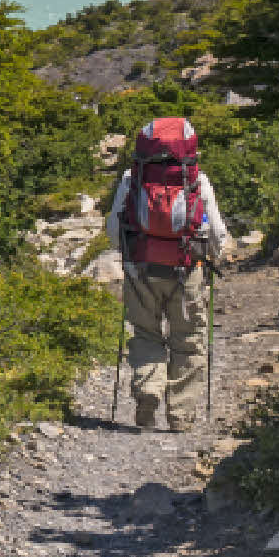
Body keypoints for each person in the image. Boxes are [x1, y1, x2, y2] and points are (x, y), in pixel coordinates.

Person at [108, 116, 234, 431]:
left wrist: (128, 254)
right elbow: (217, 233)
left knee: (146, 333)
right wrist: (212, 258)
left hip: (141, 269)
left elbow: (114, 228)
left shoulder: (130, 178)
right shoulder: (197, 181)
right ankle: (180, 415)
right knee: (188, 339)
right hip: (187, 269)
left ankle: (149, 390)